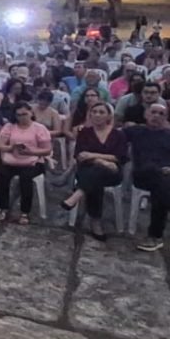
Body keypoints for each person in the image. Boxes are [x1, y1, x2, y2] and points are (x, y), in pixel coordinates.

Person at [123, 104, 170, 252]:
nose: (156, 116)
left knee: (160, 189)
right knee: (153, 171)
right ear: (146, 114)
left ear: (166, 118)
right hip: (143, 174)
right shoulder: (135, 131)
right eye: (153, 112)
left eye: (161, 113)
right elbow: (109, 134)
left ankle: (154, 237)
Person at [61, 103, 128, 240]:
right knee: (95, 177)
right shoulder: (84, 132)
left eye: (101, 112)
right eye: (94, 112)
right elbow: (80, 155)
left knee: (94, 176)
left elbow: (120, 157)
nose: (97, 115)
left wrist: (93, 156)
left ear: (109, 115)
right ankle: (95, 222)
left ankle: (77, 194)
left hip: (112, 173)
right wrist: (102, 161)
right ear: (90, 114)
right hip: (88, 169)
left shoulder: (118, 134)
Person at [0, 102, 52, 224]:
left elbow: (47, 150)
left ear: (31, 113)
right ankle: (2, 207)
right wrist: (11, 147)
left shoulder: (39, 128)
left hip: (34, 161)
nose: (22, 117)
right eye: (19, 115)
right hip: (13, 159)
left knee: (26, 178)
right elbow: (0, 145)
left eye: (25, 114)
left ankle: (25, 211)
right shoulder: (9, 127)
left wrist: (32, 151)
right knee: (3, 175)